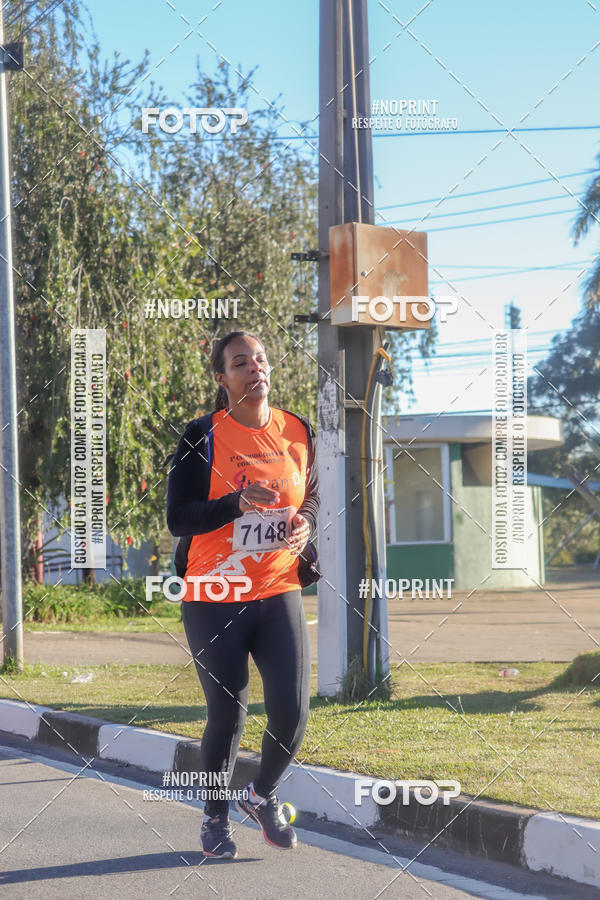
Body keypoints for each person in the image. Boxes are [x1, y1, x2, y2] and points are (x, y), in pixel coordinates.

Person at [166, 330, 319, 859]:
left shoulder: (297, 429)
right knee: (228, 712)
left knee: (293, 710)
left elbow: (313, 496)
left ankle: (261, 794)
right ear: (222, 378)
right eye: (239, 362)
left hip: (279, 587)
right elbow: (178, 517)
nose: (254, 368)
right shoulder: (201, 435)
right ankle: (213, 817)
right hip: (214, 592)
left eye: (259, 359)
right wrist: (234, 504)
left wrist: (306, 526)